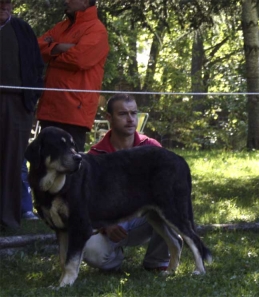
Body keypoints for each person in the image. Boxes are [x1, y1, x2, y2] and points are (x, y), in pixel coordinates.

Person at [82, 94, 180, 272]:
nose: (130, 119)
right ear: (109, 118)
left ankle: (157, 261)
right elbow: (87, 203)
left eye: (133, 113)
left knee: (170, 205)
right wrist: (106, 225)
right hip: (113, 224)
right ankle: (115, 259)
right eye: (123, 114)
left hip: (146, 219)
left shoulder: (152, 147)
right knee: (92, 252)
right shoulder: (95, 155)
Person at [37, 0, 109, 152]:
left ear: (84, 2)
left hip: (74, 113)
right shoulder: (61, 27)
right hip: (49, 109)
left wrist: (51, 53)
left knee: (71, 167)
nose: (66, 1)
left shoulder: (97, 30)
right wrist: (61, 47)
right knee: (43, 165)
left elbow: (79, 59)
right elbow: (36, 47)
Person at [0, 0, 44, 229]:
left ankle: (8, 218)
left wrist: (33, 96)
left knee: (12, 160)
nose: (4, 5)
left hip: (18, 104)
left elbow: (37, 65)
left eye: (7, 2)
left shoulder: (22, 29)